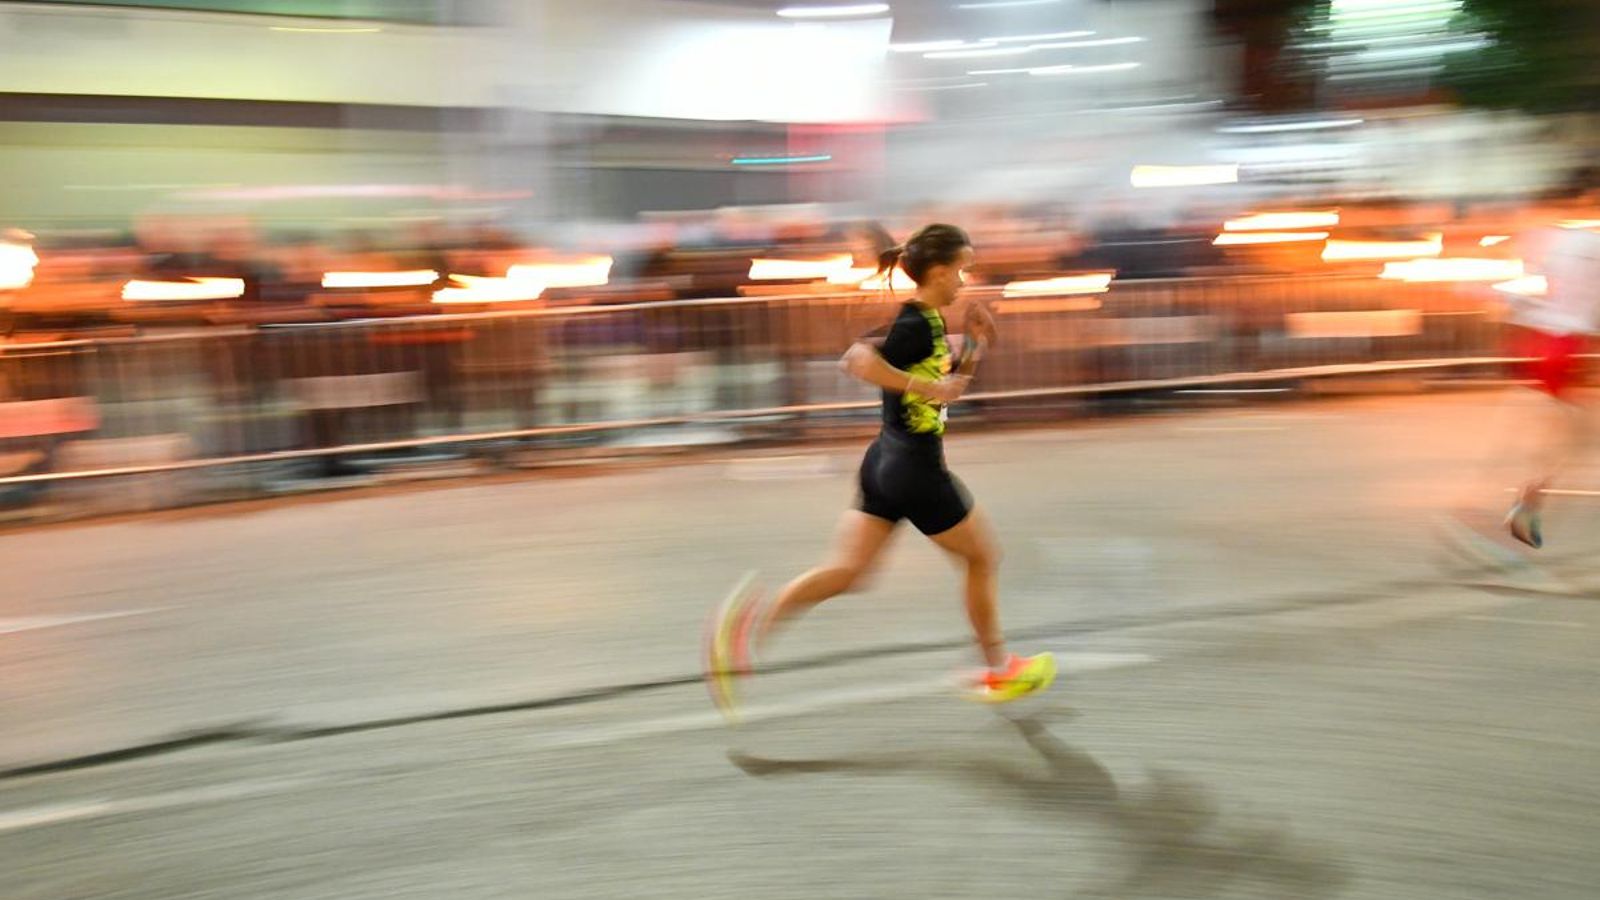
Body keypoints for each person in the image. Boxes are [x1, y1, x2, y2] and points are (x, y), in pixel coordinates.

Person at [705, 224, 1055, 718]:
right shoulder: (914, 325)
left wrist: (974, 347)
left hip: (885, 462)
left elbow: (947, 390)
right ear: (937, 271)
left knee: (849, 573)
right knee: (983, 558)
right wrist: (921, 386)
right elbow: (857, 361)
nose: (965, 279)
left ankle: (744, 629)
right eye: (962, 269)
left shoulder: (929, 322)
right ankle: (997, 668)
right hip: (915, 469)